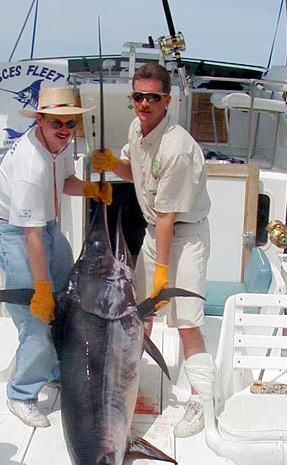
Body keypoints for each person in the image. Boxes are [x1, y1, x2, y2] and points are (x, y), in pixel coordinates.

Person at [92, 63, 216, 437]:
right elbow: (137, 173)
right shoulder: (136, 128)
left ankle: (200, 400)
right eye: (138, 96)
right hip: (154, 232)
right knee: (138, 316)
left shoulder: (177, 148)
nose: (144, 103)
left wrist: (162, 273)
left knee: (187, 322)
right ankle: (126, 384)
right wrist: (115, 164)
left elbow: (167, 218)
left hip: (184, 237)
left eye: (153, 97)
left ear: (168, 100)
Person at [0, 86, 111, 428]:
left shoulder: (61, 145)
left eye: (71, 123)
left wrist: (87, 188)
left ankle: (55, 370)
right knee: (37, 319)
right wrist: (41, 288)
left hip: (48, 225)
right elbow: (30, 237)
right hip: (16, 232)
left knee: (68, 301)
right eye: (56, 122)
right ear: (39, 120)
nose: (65, 130)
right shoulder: (30, 166)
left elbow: (65, 181)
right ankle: (21, 393)